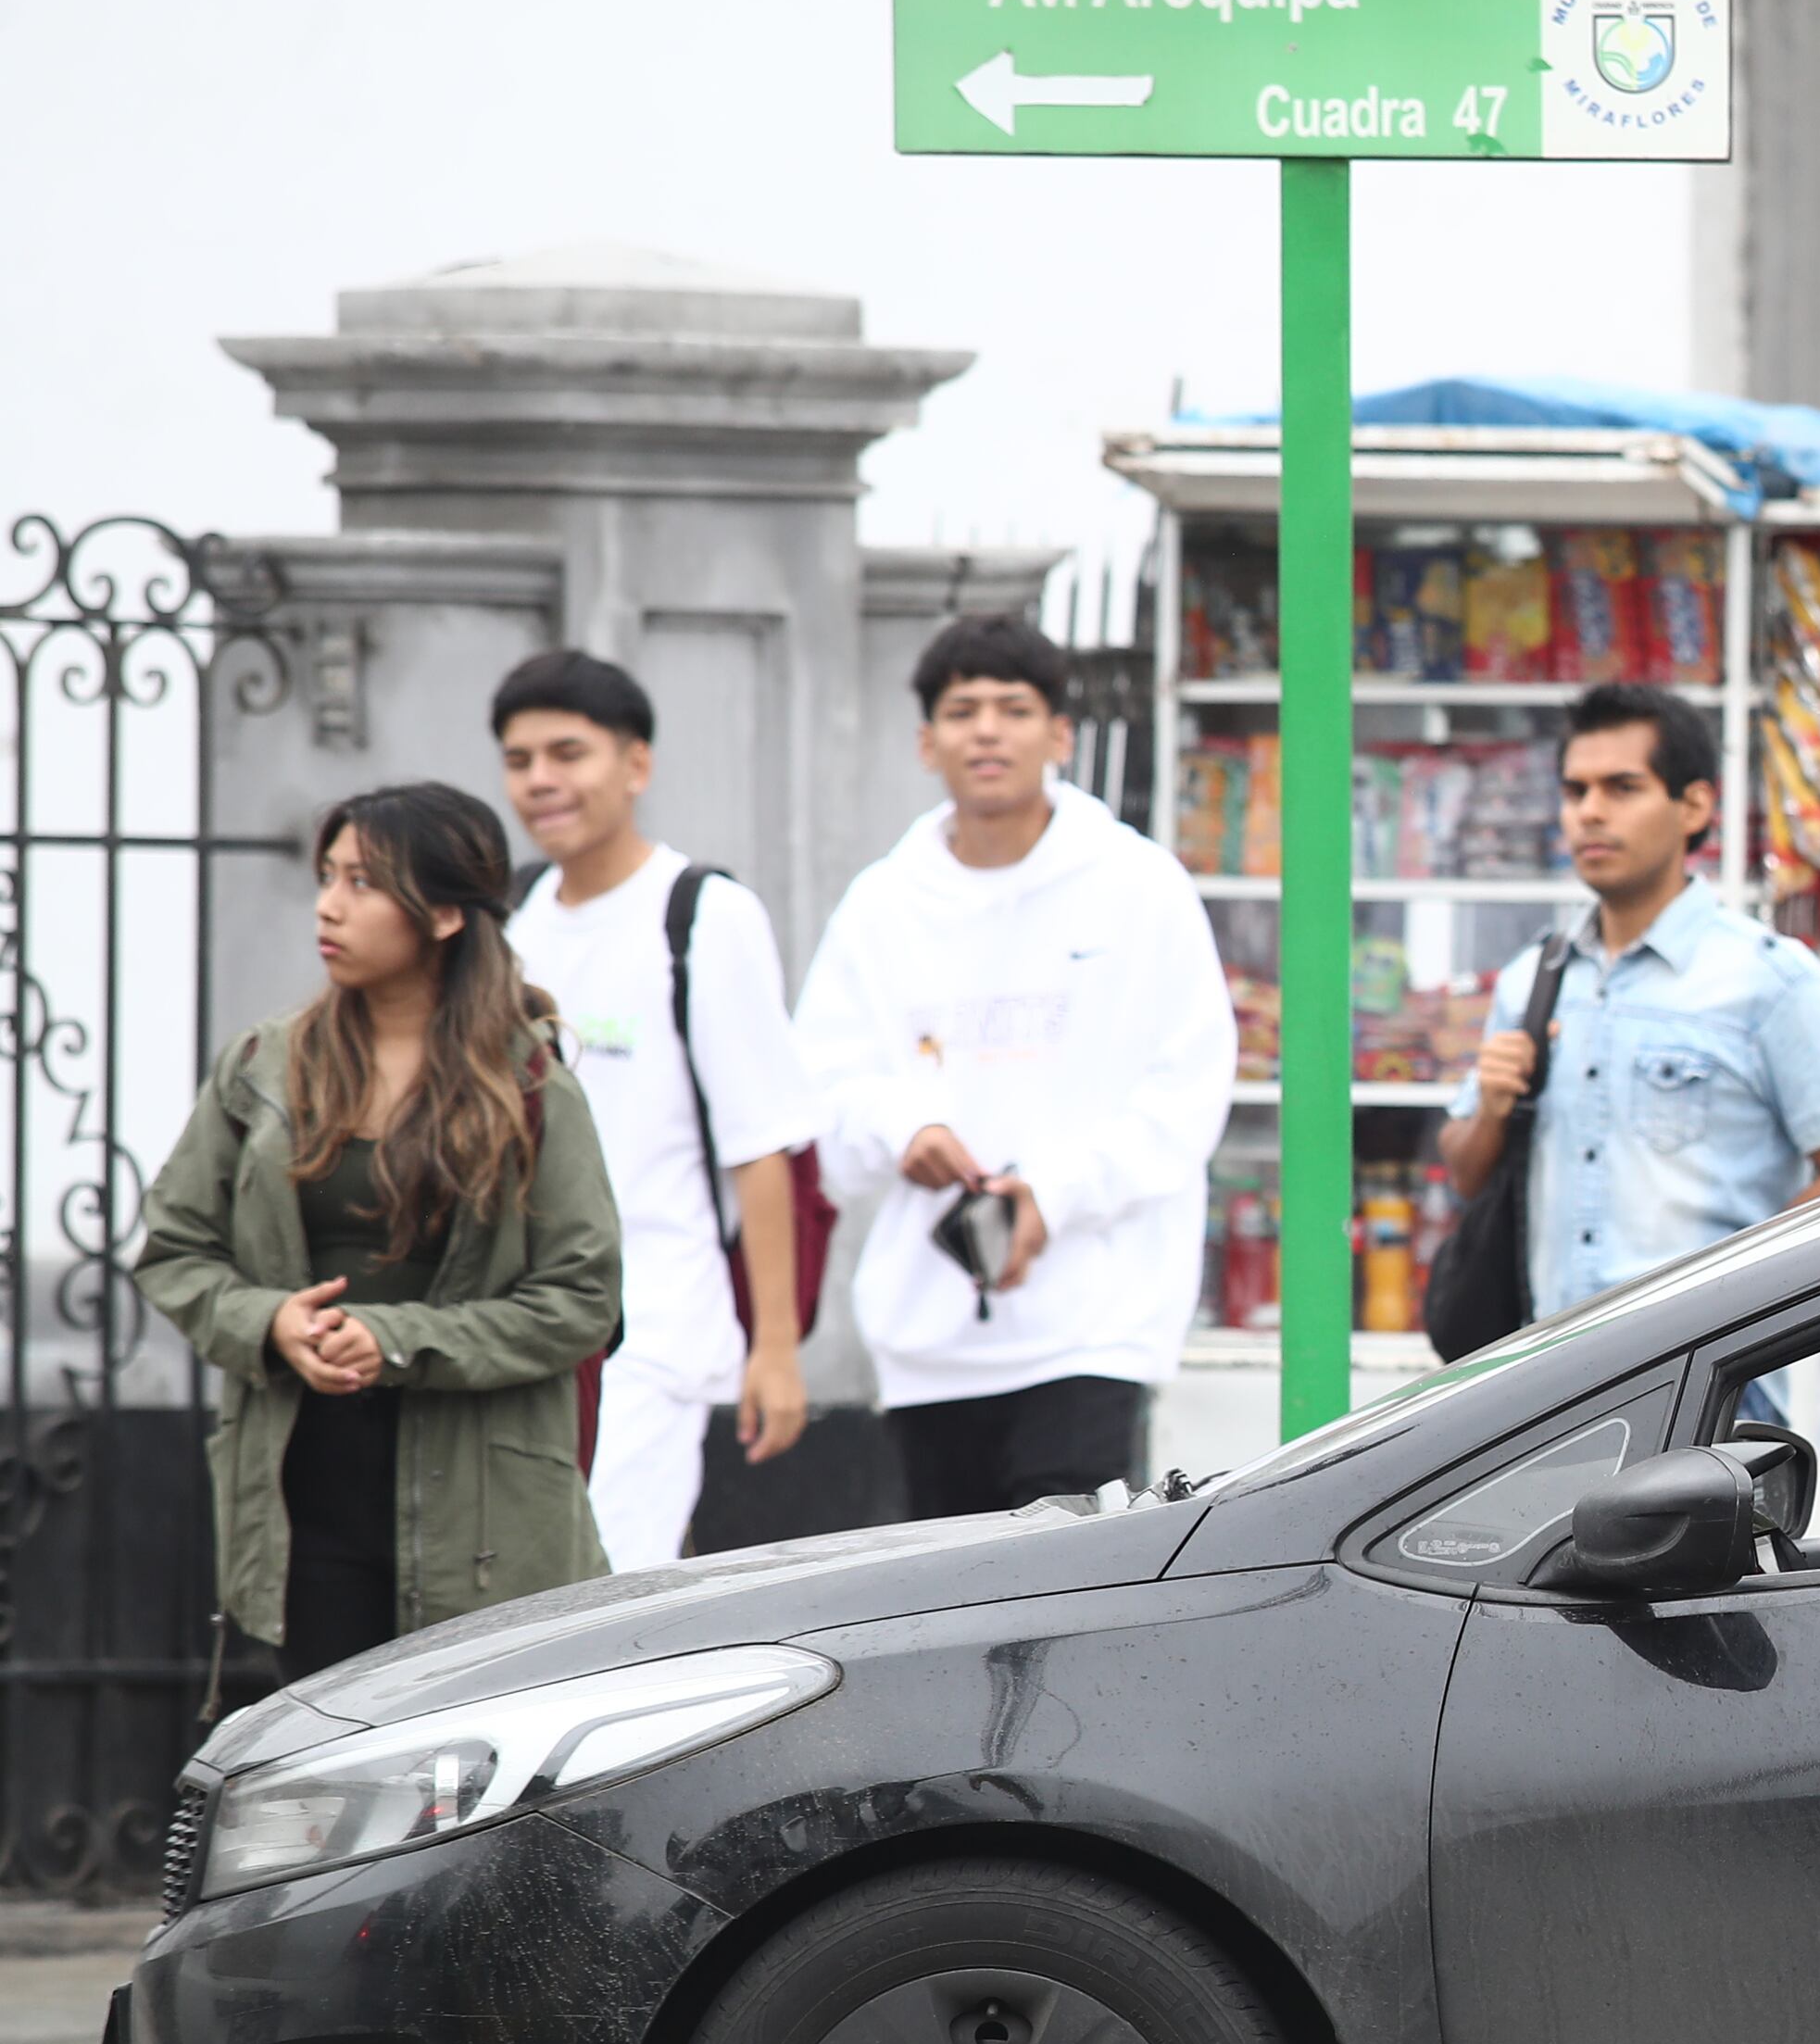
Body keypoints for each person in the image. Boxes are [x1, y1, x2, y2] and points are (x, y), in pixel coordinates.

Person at [134, 784, 621, 1676]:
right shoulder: (263, 1068)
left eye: (362, 881)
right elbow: (174, 1249)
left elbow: (582, 1297)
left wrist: (394, 1338)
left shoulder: (529, 1086)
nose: (328, 904)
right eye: (326, 876)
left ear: (443, 912)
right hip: (302, 1480)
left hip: (482, 1500)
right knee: (325, 1776)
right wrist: (271, 1322)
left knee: (467, 1775)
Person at [795, 615, 1235, 1519]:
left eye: (1014, 708)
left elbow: (1188, 1093)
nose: (987, 730)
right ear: (927, 741)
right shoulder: (881, 905)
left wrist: (1053, 1193)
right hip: (928, 1338)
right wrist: (901, 1129)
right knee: (946, 1600)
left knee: (1063, 1592)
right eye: (962, 711)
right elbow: (819, 1090)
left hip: (1092, 1326)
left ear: (1060, 735)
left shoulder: (1138, 885)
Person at [1433, 683, 1820, 1343]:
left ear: (1694, 805)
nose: (1590, 813)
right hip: (1547, 1387)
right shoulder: (1533, 980)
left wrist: (1737, 1308)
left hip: (1711, 1389)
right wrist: (1492, 1107)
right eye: (1575, 791)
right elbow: (1466, 1171)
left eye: (1622, 788)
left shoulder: (1769, 978)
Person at [496, 649, 822, 1570]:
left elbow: (762, 1148)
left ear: (634, 765)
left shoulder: (701, 916)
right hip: (522, 1326)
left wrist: (777, 1348)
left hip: (656, 1327)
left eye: (569, 753)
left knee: (604, 1587)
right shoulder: (509, 919)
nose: (543, 781)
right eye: (520, 762)